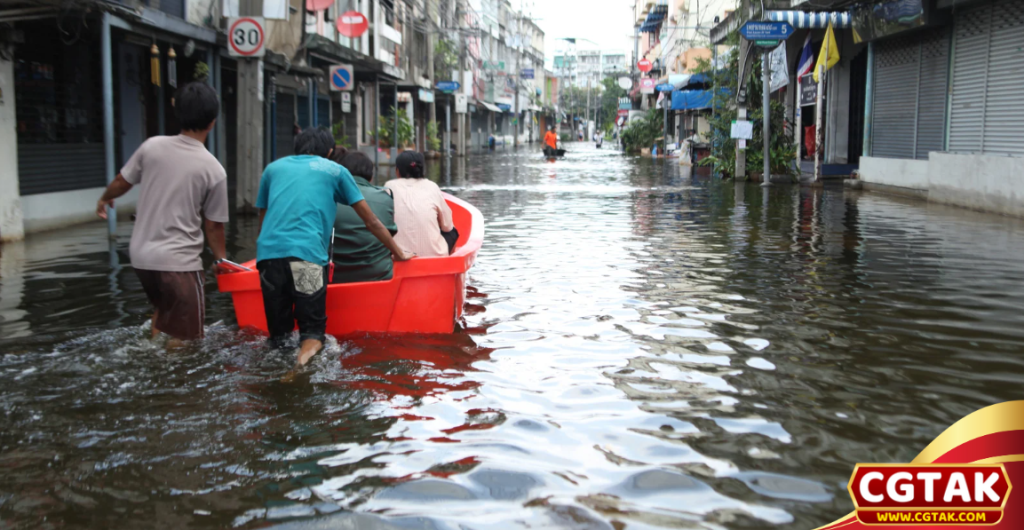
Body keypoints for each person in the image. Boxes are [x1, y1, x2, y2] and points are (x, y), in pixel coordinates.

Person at [256, 128, 413, 367]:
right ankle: (298, 369)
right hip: (306, 260)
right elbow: (370, 221)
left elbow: (263, 218)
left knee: (279, 336)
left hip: (269, 259)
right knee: (312, 334)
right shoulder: (335, 170)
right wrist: (399, 252)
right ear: (329, 152)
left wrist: (267, 254)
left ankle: (277, 373)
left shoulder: (273, 169)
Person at [95, 82, 227, 344]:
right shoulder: (214, 170)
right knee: (187, 338)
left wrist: (104, 198)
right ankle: (166, 375)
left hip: (142, 258)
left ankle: (154, 356)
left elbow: (122, 180)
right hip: (179, 264)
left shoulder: (151, 147)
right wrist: (222, 262)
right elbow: (213, 226)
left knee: (165, 311)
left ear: (177, 112)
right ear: (212, 122)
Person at [330, 150, 398, 284]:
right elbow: (391, 233)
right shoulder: (385, 198)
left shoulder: (328, 197)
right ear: (371, 177)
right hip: (378, 275)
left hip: (335, 276)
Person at [384, 151, 454, 258]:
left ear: (397, 171)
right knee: (454, 232)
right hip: (434, 257)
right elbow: (447, 226)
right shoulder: (432, 186)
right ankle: (449, 263)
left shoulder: (389, 186)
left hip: (398, 257)